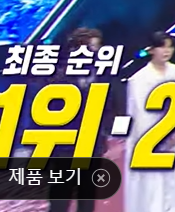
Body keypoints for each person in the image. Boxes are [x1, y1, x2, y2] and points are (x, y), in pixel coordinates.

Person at [124, 32, 175, 212]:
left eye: (169, 46)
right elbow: (140, 113)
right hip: (150, 143)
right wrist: (162, 136)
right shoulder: (140, 79)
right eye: (161, 46)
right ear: (151, 50)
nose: (166, 51)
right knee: (153, 190)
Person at [50, 28, 116, 212]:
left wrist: (102, 135)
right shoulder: (59, 75)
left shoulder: (102, 75)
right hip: (64, 145)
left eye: (97, 47)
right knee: (60, 196)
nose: (96, 51)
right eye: (91, 47)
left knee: (87, 194)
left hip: (92, 142)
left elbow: (108, 107)